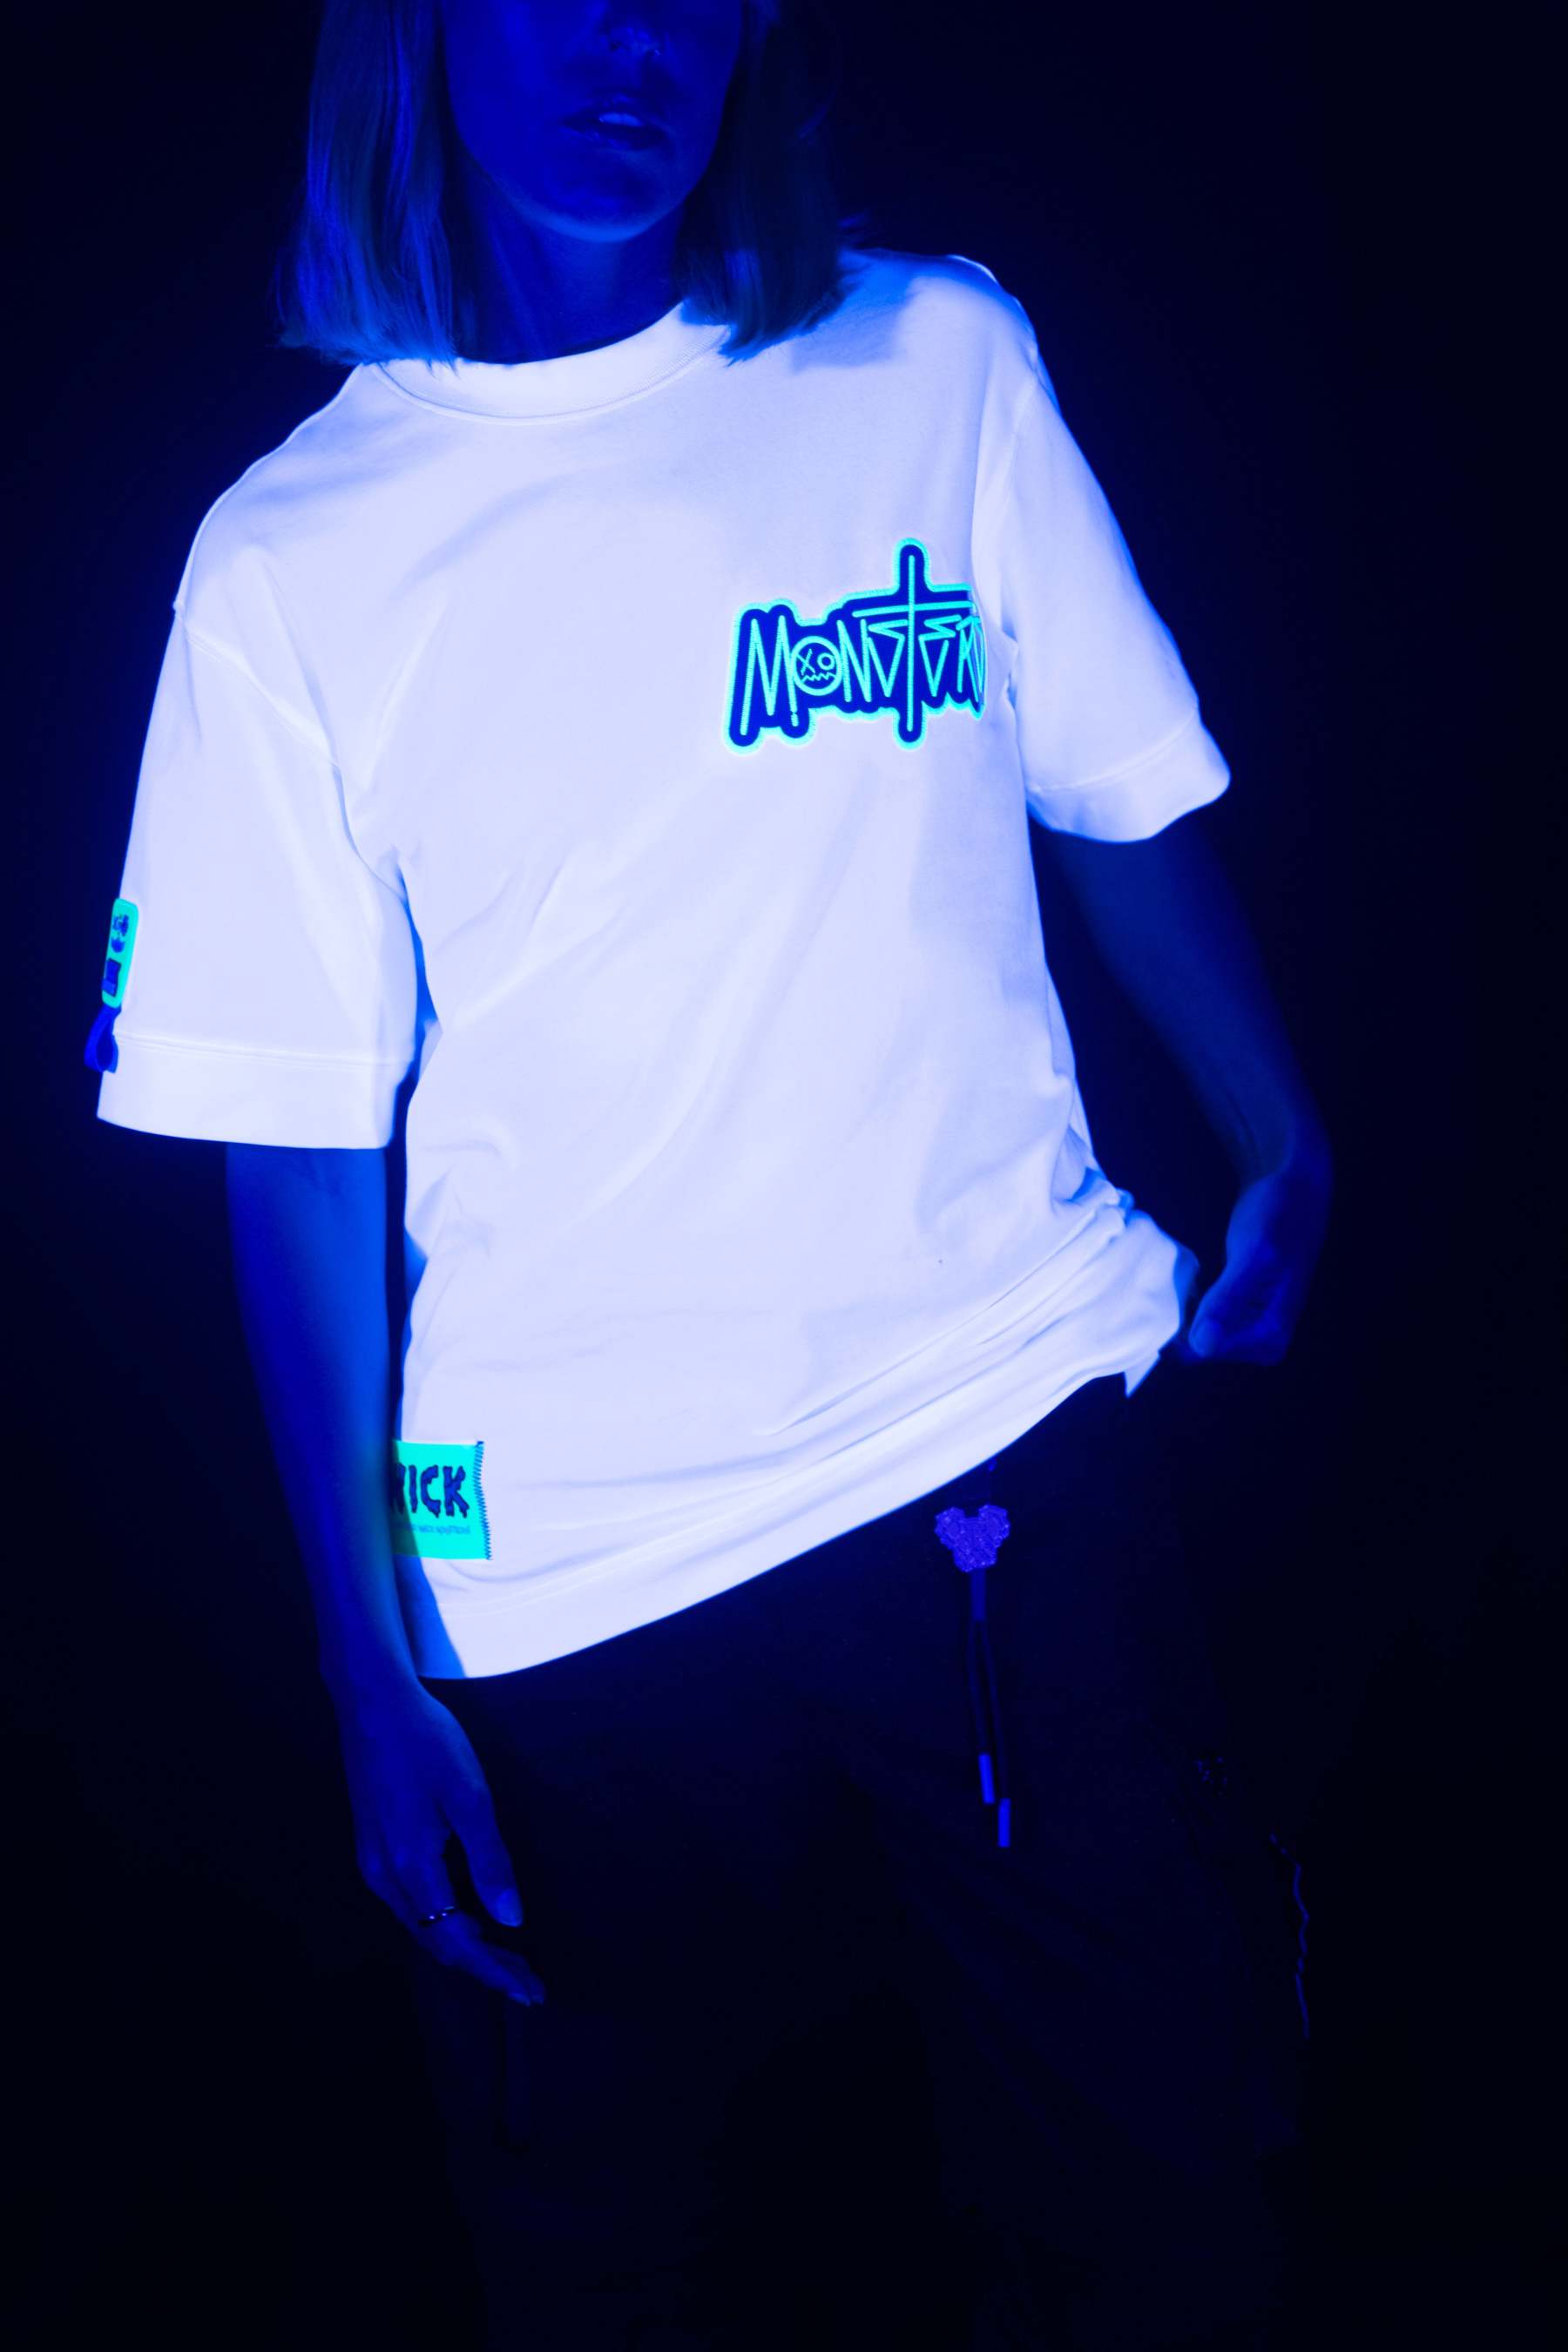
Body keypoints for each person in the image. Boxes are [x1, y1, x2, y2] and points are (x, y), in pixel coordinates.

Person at [85, 3, 1334, 2344]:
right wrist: (367, 1672)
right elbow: (294, 1153)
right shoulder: (288, 562)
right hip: (565, 1590)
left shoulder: (934, 358)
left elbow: (1110, 773)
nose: (625, 41)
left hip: (996, 1449)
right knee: (640, 2287)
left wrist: (1277, 1118)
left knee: (1165, 2229)